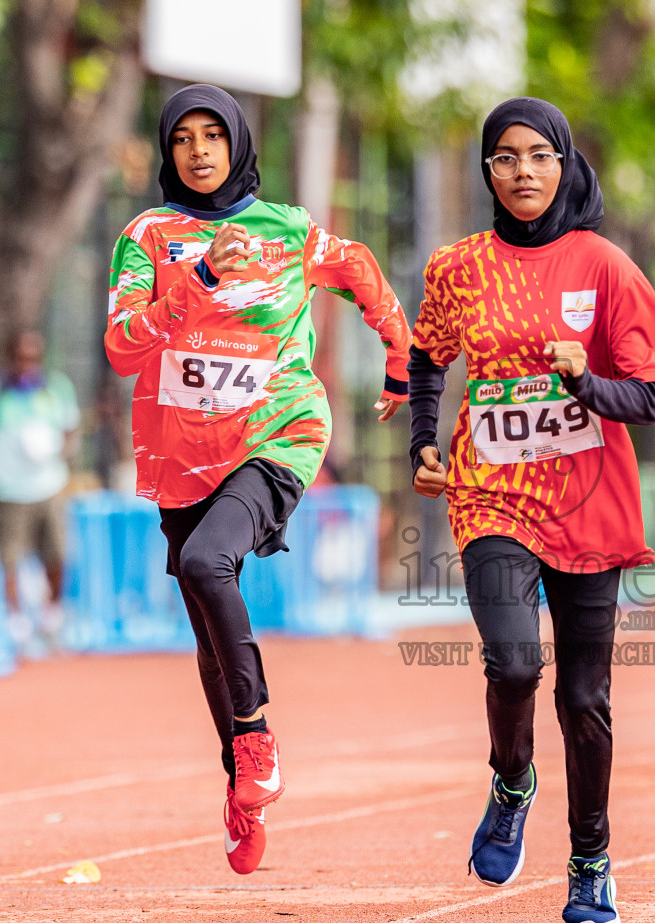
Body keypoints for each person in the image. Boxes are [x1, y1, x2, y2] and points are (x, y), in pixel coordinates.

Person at [104, 85, 410, 874]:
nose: (199, 151)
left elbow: (362, 272)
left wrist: (402, 358)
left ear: (238, 144)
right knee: (208, 626)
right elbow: (121, 344)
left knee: (211, 564)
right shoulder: (147, 236)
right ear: (168, 152)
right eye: (183, 139)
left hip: (278, 431)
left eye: (214, 135)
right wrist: (197, 280)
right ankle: (240, 783)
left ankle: (256, 734)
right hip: (181, 449)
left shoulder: (287, 231)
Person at [409, 97, 655, 923]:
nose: (522, 172)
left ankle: (591, 859)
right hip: (491, 491)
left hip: (588, 501)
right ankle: (512, 780)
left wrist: (584, 383)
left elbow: (648, 396)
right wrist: (424, 442)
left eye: (539, 156)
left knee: (586, 698)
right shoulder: (458, 267)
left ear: (566, 165)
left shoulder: (604, 266)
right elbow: (427, 356)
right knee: (517, 663)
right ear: (486, 171)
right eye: (504, 157)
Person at [0, 330, 80, 643]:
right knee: (10, 557)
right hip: (8, 491)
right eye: (20, 358)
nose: (26, 365)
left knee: (58, 553)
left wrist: (59, 453)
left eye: (32, 358)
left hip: (49, 487)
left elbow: (72, 428)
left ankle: (52, 616)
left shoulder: (55, 388)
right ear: (9, 358)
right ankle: (16, 622)